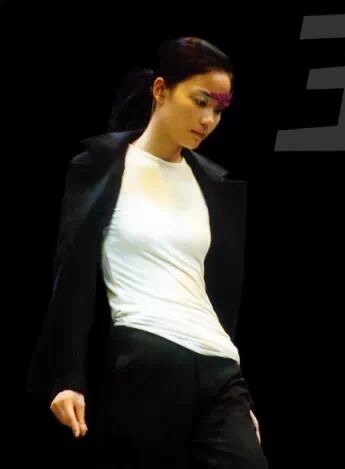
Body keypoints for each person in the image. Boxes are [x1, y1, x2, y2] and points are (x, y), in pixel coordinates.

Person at [25, 36, 268, 468]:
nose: (209, 119)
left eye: (218, 110)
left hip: (219, 367)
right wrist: (66, 376)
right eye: (200, 101)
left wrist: (240, 397)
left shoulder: (215, 187)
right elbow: (72, 276)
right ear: (160, 90)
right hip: (145, 356)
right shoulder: (101, 168)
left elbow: (216, 292)